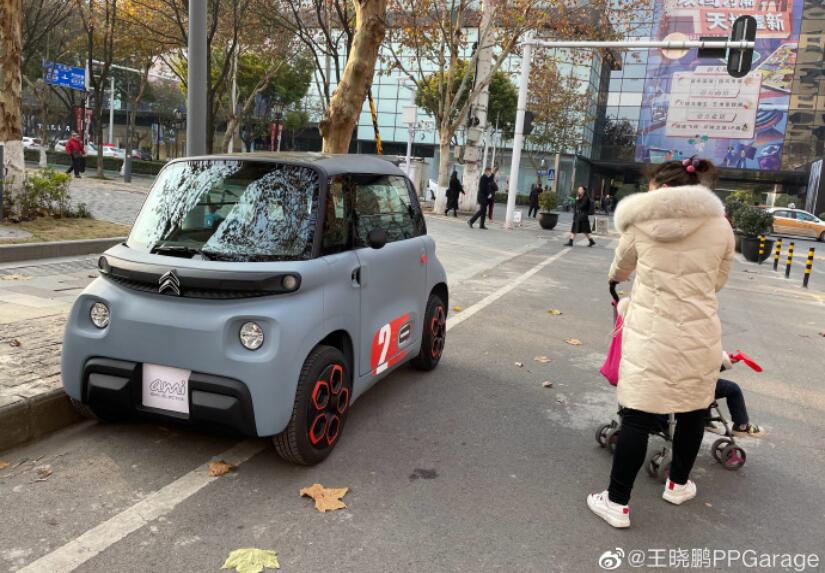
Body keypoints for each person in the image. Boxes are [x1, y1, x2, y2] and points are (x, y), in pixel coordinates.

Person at [587, 156, 734, 528]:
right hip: (700, 332)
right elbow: (718, 280)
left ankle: (617, 503)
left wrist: (617, 283)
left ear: (658, 186)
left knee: (637, 415)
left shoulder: (641, 222)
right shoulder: (720, 226)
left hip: (650, 331)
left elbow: (620, 268)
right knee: (692, 410)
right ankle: (678, 484)